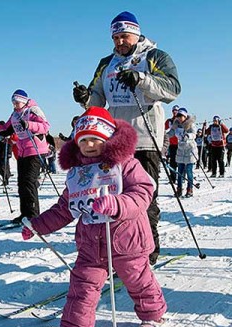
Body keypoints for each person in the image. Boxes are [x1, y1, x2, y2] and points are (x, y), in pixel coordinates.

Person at [22, 107, 166, 327]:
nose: (89, 145)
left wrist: (118, 203)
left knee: (138, 279)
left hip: (127, 240)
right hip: (91, 243)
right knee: (82, 285)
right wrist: (37, 226)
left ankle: (152, 313)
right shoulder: (78, 174)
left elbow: (143, 192)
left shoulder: (127, 164)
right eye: (84, 140)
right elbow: (64, 209)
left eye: (95, 139)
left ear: (107, 138)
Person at [72, 11, 181, 265]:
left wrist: (141, 79)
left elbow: (173, 89)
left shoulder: (154, 56)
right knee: (115, 198)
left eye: (124, 36)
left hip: (145, 138)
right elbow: (97, 98)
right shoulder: (106, 63)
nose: (120, 42)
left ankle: (147, 251)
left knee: (143, 198)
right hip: (115, 140)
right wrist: (84, 98)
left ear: (136, 34)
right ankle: (120, 251)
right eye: (116, 37)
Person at [0, 89, 50, 224]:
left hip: (35, 150)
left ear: (23, 101)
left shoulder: (33, 110)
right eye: (13, 102)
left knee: (29, 182)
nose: (14, 105)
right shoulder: (15, 115)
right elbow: (6, 130)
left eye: (16, 102)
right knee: (22, 183)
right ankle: (25, 214)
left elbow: (45, 127)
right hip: (22, 151)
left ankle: (33, 215)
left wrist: (29, 124)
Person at [166, 108, 197, 197]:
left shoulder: (190, 124)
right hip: (180, 150)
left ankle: (190, 189)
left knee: (189, 171)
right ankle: (179, 189)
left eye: (181, 116)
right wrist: (164, 135)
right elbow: (171, 133)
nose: (179, 118)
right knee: (179, 172)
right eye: (178, 116)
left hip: (190, 150)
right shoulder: (176, 125)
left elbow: (194, 134)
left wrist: (188, 136)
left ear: (185, 116)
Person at [165, 105, 180, 182]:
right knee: (172, 162)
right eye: (173, 110)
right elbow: (164, 129)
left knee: (180, 161)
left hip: (180, 144)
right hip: (171, 144)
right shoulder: (169, 121)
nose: (175, 112)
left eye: (176, 110)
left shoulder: (181, 121)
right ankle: (173, 178)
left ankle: (181, 177)